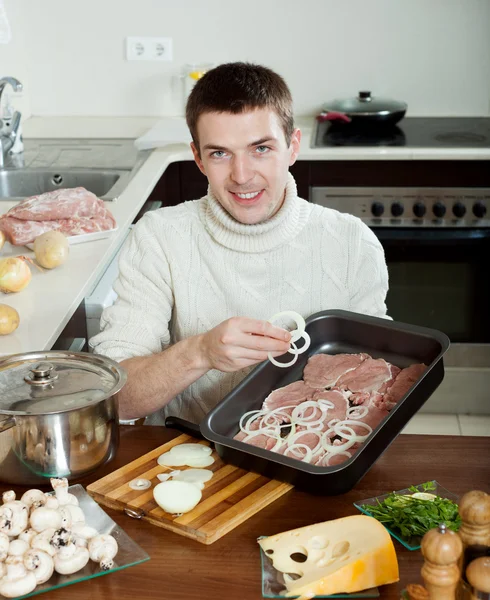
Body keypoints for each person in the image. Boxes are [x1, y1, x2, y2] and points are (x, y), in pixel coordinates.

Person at [90, 62, 389, 425]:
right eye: (220, 153)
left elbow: (377, 381)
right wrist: (200, 352)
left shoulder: (352, 242)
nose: (242, 176)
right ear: (198, 158)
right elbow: (115, 401)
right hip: (189, 455)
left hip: (313, 455)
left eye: (260, 149)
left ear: (292, 147)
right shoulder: (158, 237)